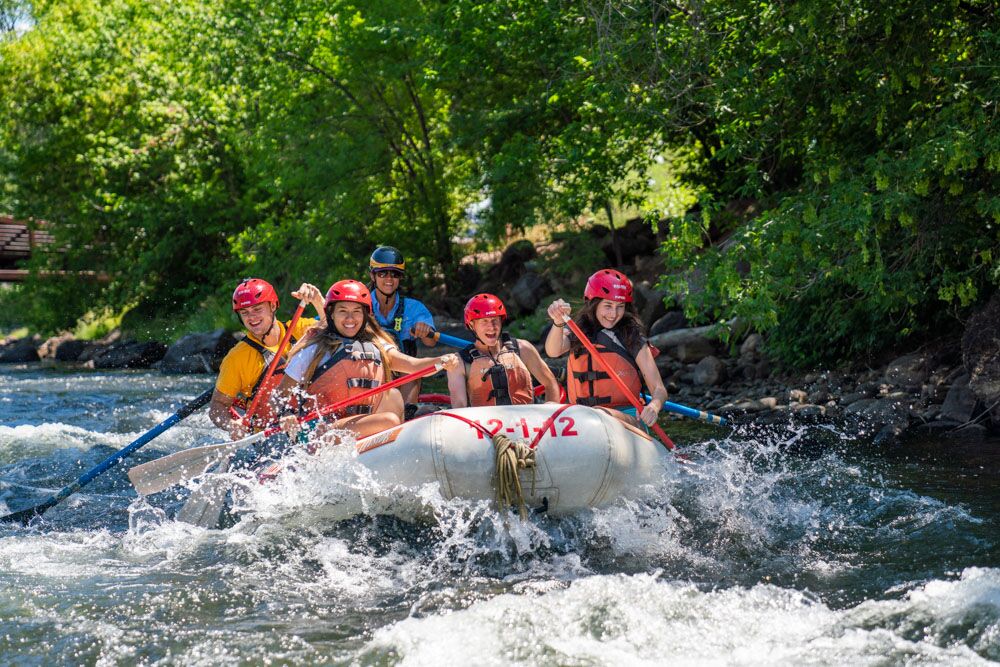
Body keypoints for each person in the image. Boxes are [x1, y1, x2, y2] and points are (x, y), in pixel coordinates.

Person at [276, 279, 459, 444]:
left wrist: (441, 361)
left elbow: (412, 365)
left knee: (393, 396)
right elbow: (281, 393)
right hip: (321, 429)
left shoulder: (376, 345)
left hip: (358, 421)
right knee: (389, 421)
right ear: (331, 314)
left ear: (365, 315)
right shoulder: (314, 349)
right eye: (343, 311)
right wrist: (286, 414)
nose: (350, 318)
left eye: (356, 311)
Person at [544, 269, 667, 428]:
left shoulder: (632, 338)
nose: (614, 314)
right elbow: (553, 351)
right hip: (583, 416)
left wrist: (654, 406)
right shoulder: (578, 331)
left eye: (620, 306)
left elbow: (659, 389)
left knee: (599, 414)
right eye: (608, 306)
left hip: (628, 417)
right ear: (593, 304)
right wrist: (558, 322)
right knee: (551, 407)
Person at [209, 278, 326, 439]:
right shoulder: (236, 358)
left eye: (257, 309)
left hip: (312, 421)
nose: (252, 317)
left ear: (272, 306)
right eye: (245, 313)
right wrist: (231, 425)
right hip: (271, 435)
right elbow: (217, 406)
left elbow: (335, 330)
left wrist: (318, 301)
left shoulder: (300, 329)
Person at [447, 293, 560, 408]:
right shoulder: (459, 363)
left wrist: (551, 410)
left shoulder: (523, 349)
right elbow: (459, 406)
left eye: (495, 320)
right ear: (472, 325)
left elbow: (550, 383)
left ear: (501, 321)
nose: (491, 327)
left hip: (525, 418)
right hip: (484, 419)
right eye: (484, 321)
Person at [367, 246, 437, 411]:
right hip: (370, 372)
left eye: (395, 274)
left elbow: (431, 342)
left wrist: (424, 330)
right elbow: (332, 319)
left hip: (404, 374)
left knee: (411, 369)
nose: (389, 279)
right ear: (372, 276)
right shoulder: (359, 305)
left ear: (400, 278)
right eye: (382, 273)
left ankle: (408, 412)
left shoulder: (414, 308)